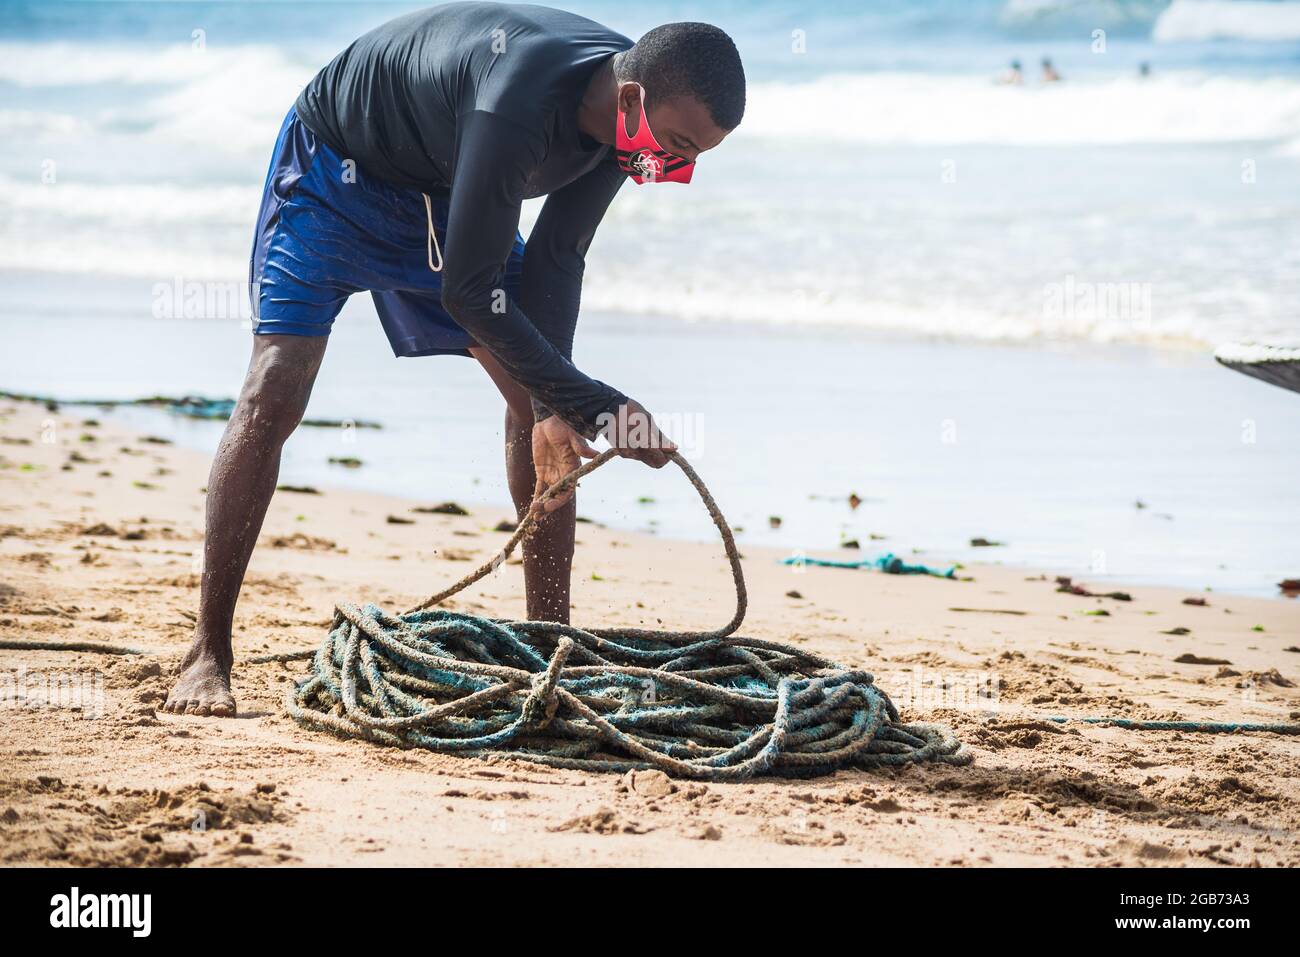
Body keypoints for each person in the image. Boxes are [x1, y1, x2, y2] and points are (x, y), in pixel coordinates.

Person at [161, 2, 746, 716]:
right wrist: (601, 404)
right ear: (632, 98)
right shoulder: (519, 103)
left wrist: (558, 404)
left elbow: (560, 256)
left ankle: (549, 647)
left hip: (448, 192)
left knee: (536, 402)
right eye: (678, 143)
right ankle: (208, 651)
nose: (674, 166)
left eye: (694, 156)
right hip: (334, 173)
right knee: (276, 385)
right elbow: (469, 294)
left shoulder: (632, 125)